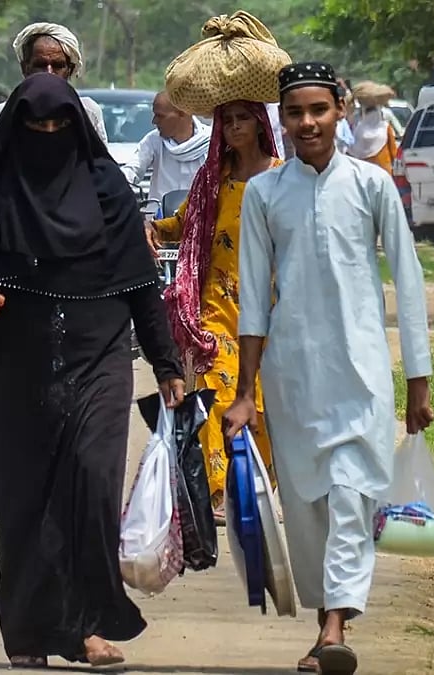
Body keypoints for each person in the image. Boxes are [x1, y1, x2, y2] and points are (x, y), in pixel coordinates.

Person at [0, 73, 185, 669]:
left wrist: (167, 361)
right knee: (23, 504)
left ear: (77, 129)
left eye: (59, 125)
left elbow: (143, 283)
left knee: (92, 488)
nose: (47, 135)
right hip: (20, 365)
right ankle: (26, 635)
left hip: (101, 358)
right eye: (35, 126)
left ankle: (86, 627)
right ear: (16, 130)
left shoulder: (107, 191)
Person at [223, 62, 434, 675]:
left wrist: (417, 381)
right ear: (281, 121)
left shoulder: (371, 185)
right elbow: (254, 297)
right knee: (308, 505)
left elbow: (411, 283)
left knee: (349, 495)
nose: (307, 122)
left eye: (318, 109)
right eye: (295, 113)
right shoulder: (265, 192)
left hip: (362, 374)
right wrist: (244, 393)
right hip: (291, 377)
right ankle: (327, 626)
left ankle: (337, 624)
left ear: (341, 108)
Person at [146, 99, 281, 524]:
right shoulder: (212, 181)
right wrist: (150, 227)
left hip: (273, 309)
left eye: (244, 118)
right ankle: (220, 492)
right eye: (229, 120)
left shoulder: (284, 179)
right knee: (219, 392)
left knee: (262, 401)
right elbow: (183, 223)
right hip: (217, 306)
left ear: (260, 124)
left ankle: (259, 487)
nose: (236, 126)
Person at [0, 23, 109, 144]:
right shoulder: (3, 114)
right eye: (40, 65)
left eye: (58, 66)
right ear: (25, 68)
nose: (49, 73)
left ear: (70, 70)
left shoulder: (88, 112)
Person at [121, 91, 211, 202]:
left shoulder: (209, 142)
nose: (154, 121)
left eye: (160, 116)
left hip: (199, 215)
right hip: (158, 215)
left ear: (183, 113)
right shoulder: (153, 140)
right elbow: (133, 168)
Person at [347, 81, 398, 175]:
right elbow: (394, 153)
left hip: (362, 174)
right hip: (383, 172)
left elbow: (350, 152)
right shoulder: (385, 128)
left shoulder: (356, 129)